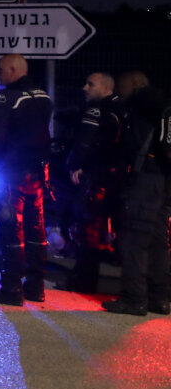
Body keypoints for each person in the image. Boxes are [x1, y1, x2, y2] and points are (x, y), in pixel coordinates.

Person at [0, 54, 53, 306]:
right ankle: (36, 286)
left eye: (0, 70)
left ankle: (11, 288)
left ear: (13, 69)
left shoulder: (6, 99)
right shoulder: (44, 97)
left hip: (10, 174)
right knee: (36, 229)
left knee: (10, 230)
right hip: (36, 174)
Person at [102, 71, 171, 316]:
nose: (119, 91)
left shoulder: (142, 105)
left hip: (145, 180)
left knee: (133, 239)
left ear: (133, 84)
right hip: (164, 180)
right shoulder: (161, 103)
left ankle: (134, 299)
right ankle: (160, 298)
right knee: (156, 240)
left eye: (121, 86)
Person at [60, 72, 121, 293]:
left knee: (86, 228)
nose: (85, 88)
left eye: (90, 84)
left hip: (95, 177)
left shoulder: (96, 111)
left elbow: (84, 144)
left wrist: (75, 166)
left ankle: (82, 281)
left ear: (105, 88)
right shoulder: (121, 109)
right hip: (117, 177)